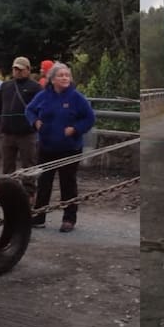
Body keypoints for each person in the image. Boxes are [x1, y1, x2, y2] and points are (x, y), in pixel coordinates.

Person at [26, 62, 95, 233]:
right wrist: (35, 121)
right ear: (52, 79)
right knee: (44, 183)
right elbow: (29, 110)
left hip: (69, 148)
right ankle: (39, 216)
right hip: (46, 146)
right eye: (61, 75)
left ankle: (69, 219)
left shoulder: (76, 97)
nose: (65, 78)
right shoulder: (43, 96)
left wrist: (76, 129)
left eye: (67, 75)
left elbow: (90, 118)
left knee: (68, 184)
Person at [0, 56, 42, 201]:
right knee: (7, 166)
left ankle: (29, 194)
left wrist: (33, 123)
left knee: (29, 164)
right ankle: (7, 194)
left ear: (28, 70)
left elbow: (40, 108)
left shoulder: (35, 87)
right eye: (15, 69)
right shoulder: (6, 85)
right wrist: (0, 122)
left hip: (27, 134)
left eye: (20, 69)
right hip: (8, 133)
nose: (17, 72)